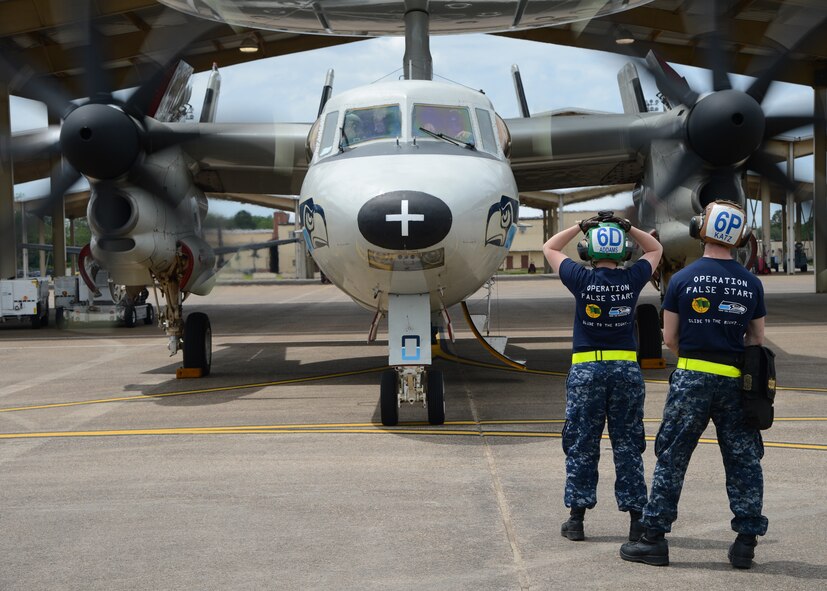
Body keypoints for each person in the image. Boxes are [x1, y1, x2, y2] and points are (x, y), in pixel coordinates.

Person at [620, 200, 767, 569]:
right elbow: (757, 341)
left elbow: (669, 338)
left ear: (699, 227)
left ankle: (654, 538)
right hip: (735, 380)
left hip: (691, 378)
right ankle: (746, 542)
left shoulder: (683, 279)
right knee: (743, 460)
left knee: (672, 457)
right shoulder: (751, 283)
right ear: (740, 237)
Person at [543, 212, 663, 543]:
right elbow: (655, 251)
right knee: (627, 444)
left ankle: (577, 520)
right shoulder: (632, 279)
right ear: (623, 251)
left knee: (583, 444)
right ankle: (637, 519)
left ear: (588, 251)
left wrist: (581, 226)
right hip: (625, 369)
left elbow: (550, 248)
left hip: (587, 370)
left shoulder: (581, 279)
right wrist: (631, 228)